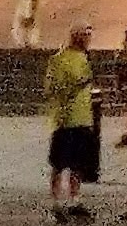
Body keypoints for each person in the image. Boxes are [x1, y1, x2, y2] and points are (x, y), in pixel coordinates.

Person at [43, 27, 100, 216]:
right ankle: (56, 200)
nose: (88, 39)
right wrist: (76, 85)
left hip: (82, 117)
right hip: (65, 118)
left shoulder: (84, 58)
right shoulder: (59, 59)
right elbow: (52, 88)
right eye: (85, 35)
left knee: (78, 163)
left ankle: (75, 199)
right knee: (59, 163)